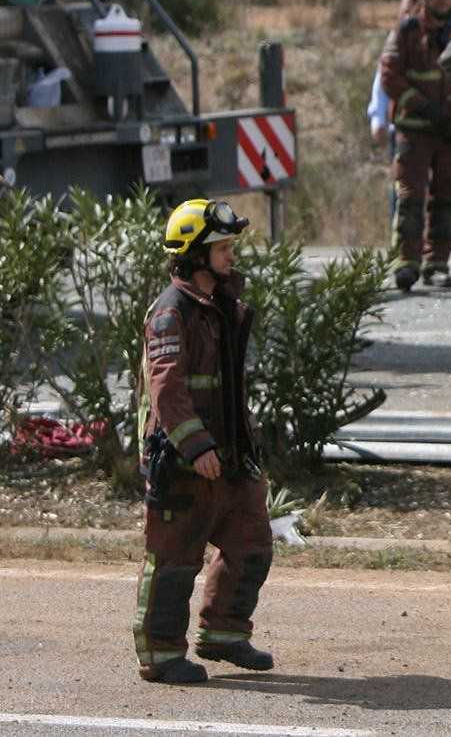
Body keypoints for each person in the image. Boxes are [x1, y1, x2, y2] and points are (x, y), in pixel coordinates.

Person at [134, 199, 274, 685]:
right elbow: (167, 389)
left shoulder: (221, 306)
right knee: (175, 558)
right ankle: (161, 653)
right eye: (222, 247)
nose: (231, 255)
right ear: (195, 254)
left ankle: (224, 632)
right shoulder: (172, 314)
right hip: (184, 461)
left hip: (230, 459)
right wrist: (196, 448)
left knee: (252, 542)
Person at [380, 0, 451, 292]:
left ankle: (437, 262)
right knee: (410, 197)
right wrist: (424, 107)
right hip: (415, 130)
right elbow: (389, 75)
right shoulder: (407, 31)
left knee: (447, 199)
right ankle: (406, 262)